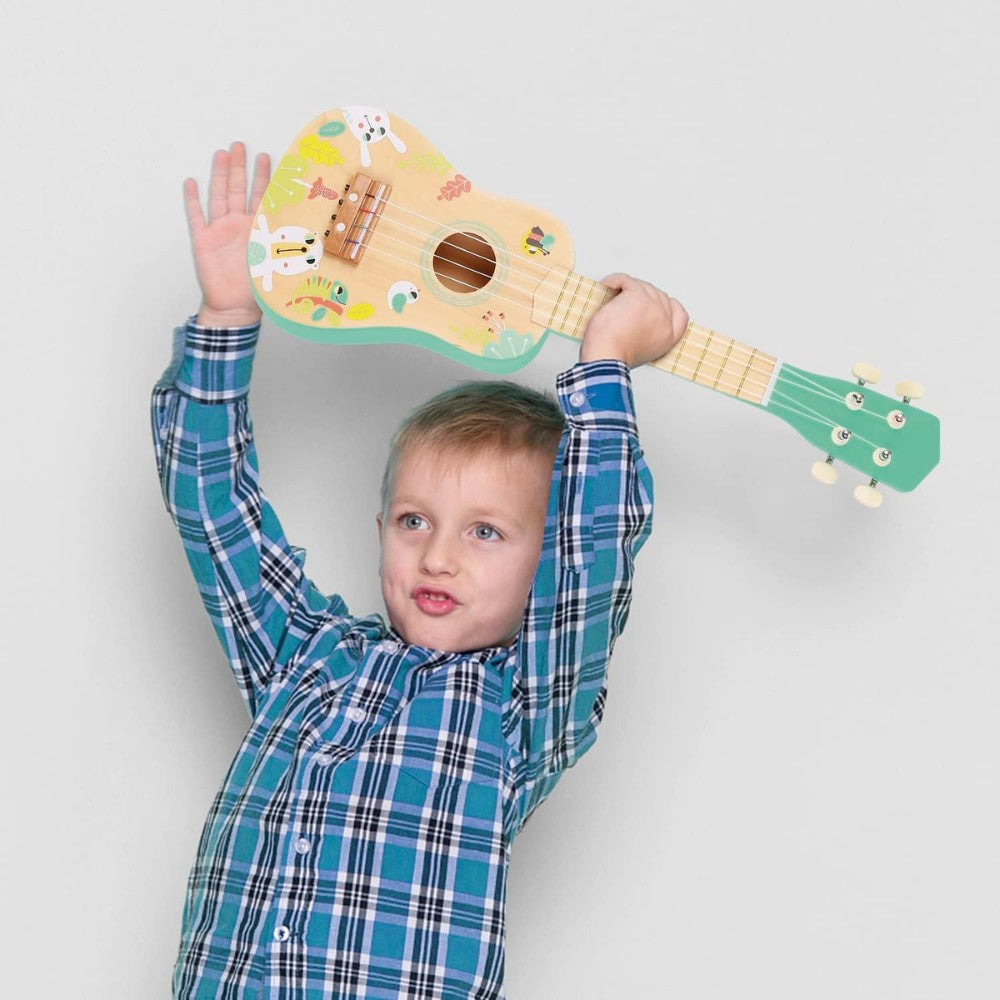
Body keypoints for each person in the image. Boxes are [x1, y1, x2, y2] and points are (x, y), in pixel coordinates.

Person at [152, 141, 687, 999]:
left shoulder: (523, 709)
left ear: (543, 564)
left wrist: (605, 369)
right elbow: (213, 510)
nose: (437, 554)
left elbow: (593, 552)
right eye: (414, 521)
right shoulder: (307, 658)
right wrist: (225, 320)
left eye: (485, 532)